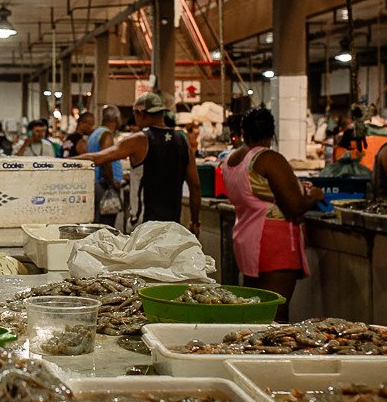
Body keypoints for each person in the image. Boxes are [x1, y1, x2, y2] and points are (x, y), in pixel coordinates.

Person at [222, 107, 324, 316]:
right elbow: (294, 206)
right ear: (271, 132)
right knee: (275, 312)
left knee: (255, 310)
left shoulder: (232, 160)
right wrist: (313, 195)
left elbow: (259, 193)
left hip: (247, 238)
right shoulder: (268, 158)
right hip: (273, 241)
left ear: (243, 131)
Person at [76, 92, 201, 234]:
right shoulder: (183, 141)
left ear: (141, 113)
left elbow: (98, 158)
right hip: (172, 227)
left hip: (143, 227)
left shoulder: (140, 140)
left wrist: (60, 163)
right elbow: (195, 186)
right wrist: (195, 221)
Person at [87, 105, 124, 224]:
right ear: (116, 119)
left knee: (98, 222)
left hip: (96, 183)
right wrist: (112, 182)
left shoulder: (95, 133)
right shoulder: (107, 134)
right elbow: (106, 161)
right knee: (106, 225)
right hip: (104, 186)